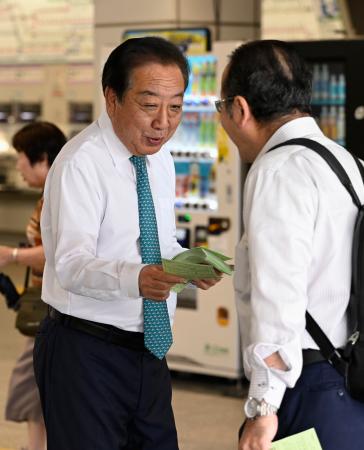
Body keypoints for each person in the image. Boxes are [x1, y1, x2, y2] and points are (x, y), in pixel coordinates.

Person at [33, 36, 220, 450]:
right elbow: (70, 263)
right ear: (112, 98)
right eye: (150, 105)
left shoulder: (161, 159)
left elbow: (156, 241)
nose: (164, 122)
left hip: (147, 351)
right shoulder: (81, 163)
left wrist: (188, 265)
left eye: (176, 107)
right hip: (85, 350)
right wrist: (137, 279)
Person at [216, 39, 364, 450]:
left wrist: (263, 409)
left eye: (220, 108)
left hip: (308, 386)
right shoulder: (349, 163)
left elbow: (277, 297)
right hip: (351, 379)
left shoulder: (277, 169)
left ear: (240, 109)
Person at [0, 121, 66, 450]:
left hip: (51, 309)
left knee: (31, 382)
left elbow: (58, 254)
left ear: (41, 158)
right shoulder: (51, 191)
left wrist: (11, 254)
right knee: (39, 385)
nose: (17, 166)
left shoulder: (57, 193)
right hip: (47, 305)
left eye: (20, 157)